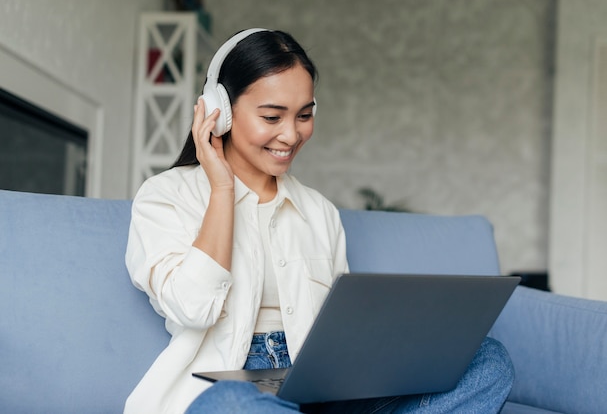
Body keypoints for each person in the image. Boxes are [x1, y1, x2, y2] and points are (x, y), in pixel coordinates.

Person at [125, 29, 514, 414]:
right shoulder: (165, 196)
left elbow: (338, 334)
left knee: (488, 359)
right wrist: (222, 190)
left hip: (320, 389)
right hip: (228, 389)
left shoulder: (318, 212)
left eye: (304, 115)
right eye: (272, 116)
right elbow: (193, 308)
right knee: (230, 404)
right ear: (220, 111)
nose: (291, 135)